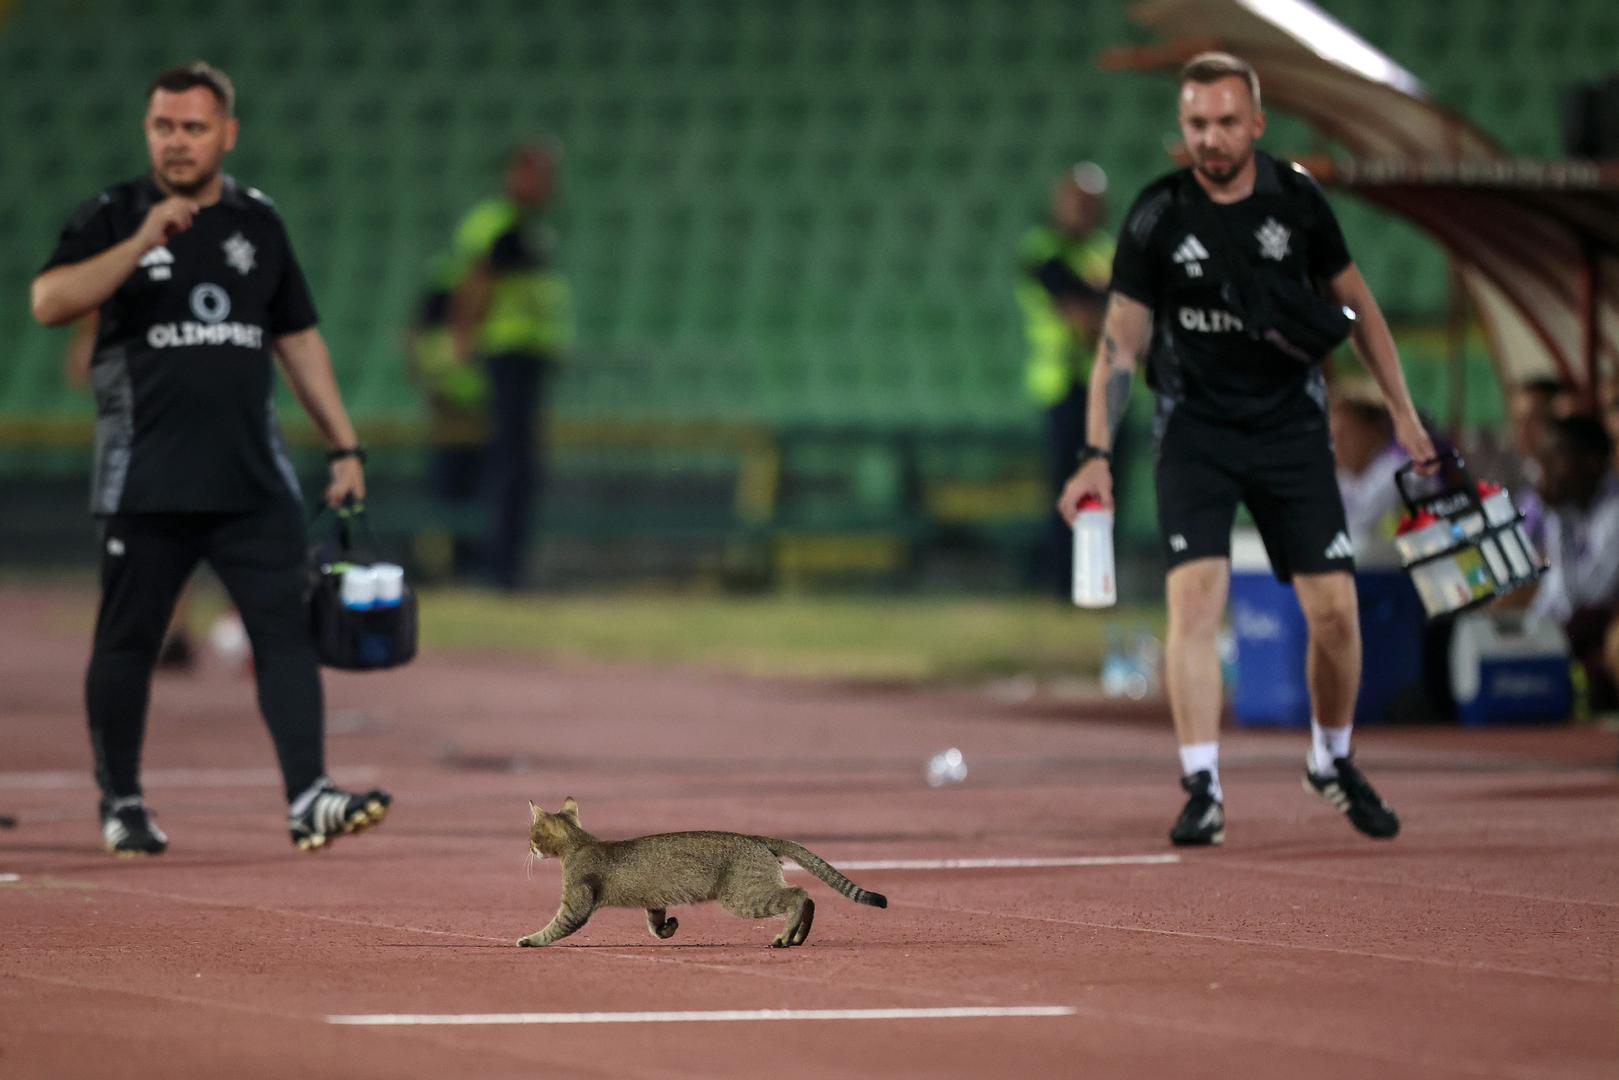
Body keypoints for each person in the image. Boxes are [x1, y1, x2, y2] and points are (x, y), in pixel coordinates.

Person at [1058, 52, 1436, 846]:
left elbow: (1358, 308)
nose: (1210, 137)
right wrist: (1095, 451)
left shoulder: (1296, 200)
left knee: (1333, 612)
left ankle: (1330, 760)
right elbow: (1118, 351)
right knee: (1194, 602)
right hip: (1194, 430)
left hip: (1291, 430)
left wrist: (1401, 413)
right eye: (1196, 123)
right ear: (1183, 128)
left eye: (1226, 121)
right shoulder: (1156, 214)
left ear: (1255, 124)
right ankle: (1201, 784)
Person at [29, 61, 390, 855]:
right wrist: (139, 242)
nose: (178, 141)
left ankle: (309, 797)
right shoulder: (112, 214)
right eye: (164, 126)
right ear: (148, 131)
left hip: (249, 480)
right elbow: (49, 301)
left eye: (194, 127)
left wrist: (343, 443)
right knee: (128, 644)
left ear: (226, 133)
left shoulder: (259, 223)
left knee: (286, 638)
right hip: (145, 479)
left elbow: (297, 338)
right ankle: (121, 800)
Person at [448, 143, 573, 590]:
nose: (547, 183)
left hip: (529, 354)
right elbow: (475, 283)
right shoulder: (498, 225)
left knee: (520, 464)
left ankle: (508, 565)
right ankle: (496, 568)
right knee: (508, 463)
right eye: (538, 172)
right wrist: (464, 339)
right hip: (507, 353)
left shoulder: (530, 226)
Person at [1016, 164, 1117, 595]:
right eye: (1075, 200)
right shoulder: (1041, 248)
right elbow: (1079, 310)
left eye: (1089, 201)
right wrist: (1104, 310)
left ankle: (1102, 582)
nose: (1081, 209)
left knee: (1110, 487)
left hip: (1110, 387)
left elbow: (1122, 310)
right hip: (1062, 384)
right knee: (1065, 487)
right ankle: (1063, 585)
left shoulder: (1106, 249)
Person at [1527, 416, 1619, 711]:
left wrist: (1556, 518)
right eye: (1544, 461)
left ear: (1592, 462)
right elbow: (1553, 600)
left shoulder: (1614, 512)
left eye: (1556, 458)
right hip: (1579, 625)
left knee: (1581, 626)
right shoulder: (1570, 510)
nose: (1547, 472)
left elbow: (1587, 599)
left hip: (1600, 627)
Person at [406, 255, 488, 580]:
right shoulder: (435, 340)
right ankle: (441, 567)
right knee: (447, 503)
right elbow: (438, 390)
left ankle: (468, 564)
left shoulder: (463, 338)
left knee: (472, 501)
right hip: (451, 434)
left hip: (475, 432)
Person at [1328, 380, 1407, 552]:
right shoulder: (1344, 476)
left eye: (1344, 434)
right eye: (1332, 436)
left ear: (1374, 432)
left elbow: (1354, 530)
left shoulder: (1398, 471)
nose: (1335, 445)